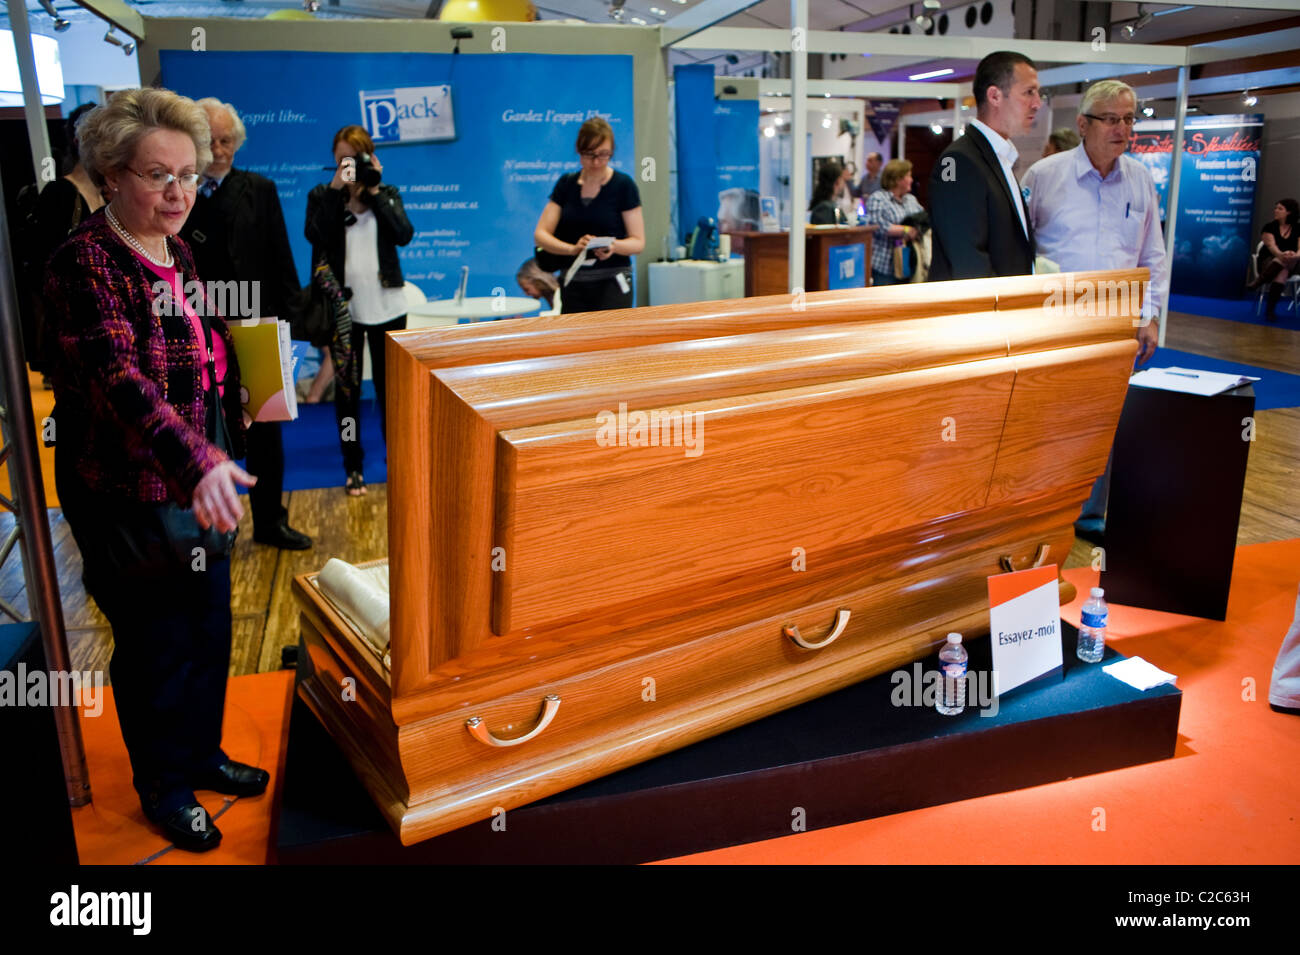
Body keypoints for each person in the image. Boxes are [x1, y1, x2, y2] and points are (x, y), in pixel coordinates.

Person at [43, 87, 268, 853]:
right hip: (128, 486)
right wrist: (198, 457)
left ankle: (199, 752)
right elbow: (117, 382)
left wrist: (237, 393)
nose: (178, 193)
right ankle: (165, 786)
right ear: (110, 174)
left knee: (209, 623)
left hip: (198, 465)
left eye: (189, 175)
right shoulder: (84, 262)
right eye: (157, 175)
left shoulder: (182, 251)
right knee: (154, 640)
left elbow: (195, 355)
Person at [1021, 79, 1169, 543]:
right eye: (1111, 118)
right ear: (1083, 124)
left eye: (1129, 119)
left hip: (1116, 324)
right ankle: (1039, 510)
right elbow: (1020, 251)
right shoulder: (1044, 176)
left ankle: (1091, 515)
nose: (1122, 128)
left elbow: (1153, 253)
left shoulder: (1141, 180)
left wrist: (1150, 315)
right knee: (1048, 420)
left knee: (1105, 422)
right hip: (1055, 321)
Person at [181, 98, 311, 549]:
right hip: (196, 331)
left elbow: (282, 257)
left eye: (227, 139)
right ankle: (209, 529)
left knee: (266, 431)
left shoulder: (260, 188)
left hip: (257, 328)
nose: (219, 149)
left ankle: (271, 522)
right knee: (199, 428)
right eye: (210, 140)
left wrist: (290, 322)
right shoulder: (178, 195)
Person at [305, 124, 414, 496]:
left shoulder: (387, 194)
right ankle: (353, 467)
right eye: (342, 160)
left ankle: (398, 461)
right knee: (348, 394)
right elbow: (316, 234)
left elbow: (404, 233)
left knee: (391, 393)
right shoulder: (323, 195)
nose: (350, 166)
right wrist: (339, 189)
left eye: (357, 158)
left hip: (388, 308)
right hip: (344, 310)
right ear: (333, 162)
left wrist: (374, 189)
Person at [928, 50, 1041, 281]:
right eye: (1029, 93)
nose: (1037, 103)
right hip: (983, 312)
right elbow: (969, 262)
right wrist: (1003, 313)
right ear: (995, 96)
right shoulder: (959, 161)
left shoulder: (998, 158)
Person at [533, 117, 645, 313]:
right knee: (576, 340)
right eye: (590, 154)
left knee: (610, 339)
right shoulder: (566, 185)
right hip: (574, 282)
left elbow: (638, 242)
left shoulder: (623, 185)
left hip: (613, 281)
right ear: (579, 151)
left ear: (611, 152)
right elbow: (541, 235)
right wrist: (572, 249)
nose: (596, 162)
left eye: (604, 155)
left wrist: (613, 246)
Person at [25, 103, 104, 375]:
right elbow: (41, 268)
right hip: (74, 331)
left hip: (109, 327)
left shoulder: (113, 195)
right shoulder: (59, 194)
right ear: (79, 140)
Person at [865, 159, 924, 286]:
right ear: (898, 179)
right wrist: (907, 230)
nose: (911, 180)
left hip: (909, 264)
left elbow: (924, 220)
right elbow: (879, 226)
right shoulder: (878, 198)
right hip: (886, 267)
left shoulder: (911, 200)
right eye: (908, 175)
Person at [1247, 198, 1298, 321]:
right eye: (1276, 208)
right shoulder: (1269, 227)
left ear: (1289, 212)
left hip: (1291, 261)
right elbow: (1271, 246)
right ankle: (1270, 311)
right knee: (1282, 270)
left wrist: (1295, 256)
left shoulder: (1298, 228)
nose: (1276, 210)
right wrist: (1282, 255)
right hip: (1268, 261)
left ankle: (1259, 281)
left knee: (1285, 263)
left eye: (1280, 208)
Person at [809, 160, 846, 225]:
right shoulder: (824, 209)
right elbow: (828, 233)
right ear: (837, 181)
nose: (844, 183)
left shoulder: (831, 205)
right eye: (843, 179)